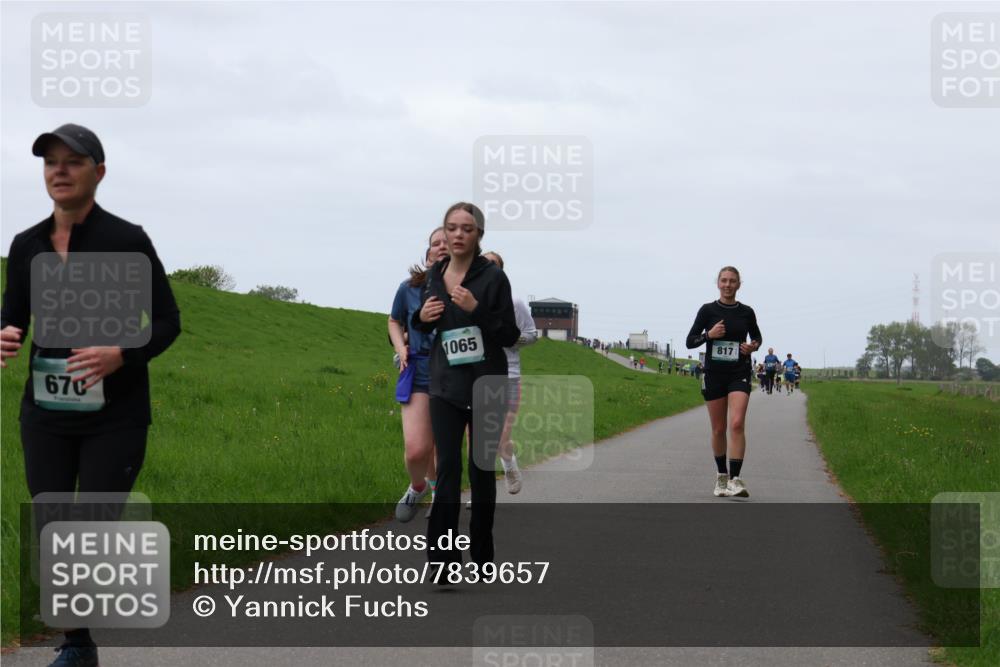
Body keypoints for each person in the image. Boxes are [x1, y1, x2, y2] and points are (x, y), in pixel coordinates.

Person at [1, 124, 181, 667]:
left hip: (115, 414)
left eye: (73, 161)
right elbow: (13, 317)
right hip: (46, 411)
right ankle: (77, 644)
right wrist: (6, 334)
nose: (59, 170)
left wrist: (120, 353)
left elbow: (167, 322)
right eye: (50, 162)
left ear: (98, 173)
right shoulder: (26, 244)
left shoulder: (126, 241)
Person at [412, 202, 519, 572]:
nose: (458, 235)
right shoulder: (435, 274)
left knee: (480, 470)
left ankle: (482, 553)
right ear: (445, 231)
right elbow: (427, 325)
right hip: (446, 383)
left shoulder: (493, 279)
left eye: (467, 229)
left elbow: (509, 335)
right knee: (447, 469)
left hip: (486, 383)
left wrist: (477, 309)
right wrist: (421, 318)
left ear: (479, 235)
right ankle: (442, 560)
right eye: (452, 228)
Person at [686, 266, 761, 498]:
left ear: (739, 284)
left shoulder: (747, 312)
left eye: (732, 281)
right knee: (719, 428)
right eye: (724, 280)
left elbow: (757, 337)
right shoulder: (707, 310)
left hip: (739, 371)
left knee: (736, 423)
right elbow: (690, 341)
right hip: (714, 374)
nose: (728, 285)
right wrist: (709, 335)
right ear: (718, 283)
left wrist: (752, 346)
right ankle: (721, 476)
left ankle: (735, 480)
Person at [389, 228, 448, 521]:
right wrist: (401, 348)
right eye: (436, 243)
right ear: (427, 256)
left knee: (443, 447)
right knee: (416, 450)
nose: (442, 246)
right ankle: (417, 487)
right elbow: (394, 321)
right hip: (420, 373)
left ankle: (441, 495)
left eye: (448, 242)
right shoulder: (408, 288)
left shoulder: (469, 288)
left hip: (454, 376)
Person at [483, 251, 537, 494]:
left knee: (500, 435)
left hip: (509, 375)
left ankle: (509, 465)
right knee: (478, 440)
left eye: (493, 265)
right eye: (483, 264)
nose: (488, 268)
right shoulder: (468, 301)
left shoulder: (514, 302)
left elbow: (532, 334)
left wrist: (511, 339)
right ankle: (481, 491)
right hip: (478, 376)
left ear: (501, 272)